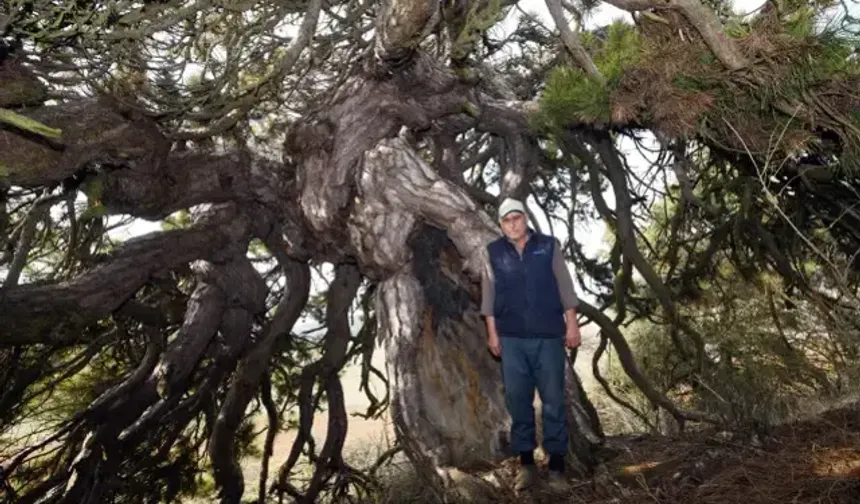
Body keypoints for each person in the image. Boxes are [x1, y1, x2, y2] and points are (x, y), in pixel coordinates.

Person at [481, 197, 582, 492]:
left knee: (553, 401)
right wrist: (492, 332)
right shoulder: (493, 251)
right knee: (518, 402)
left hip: (549, 336)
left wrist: (572, 323)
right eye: (507, 220)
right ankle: (526, 464)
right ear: (501, 225)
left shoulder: (548, 246)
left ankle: (557, 468)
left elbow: (565, 285)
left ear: (526, 219)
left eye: (517, 218)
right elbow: (489, 293)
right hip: (511, 338)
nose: (513, 224)